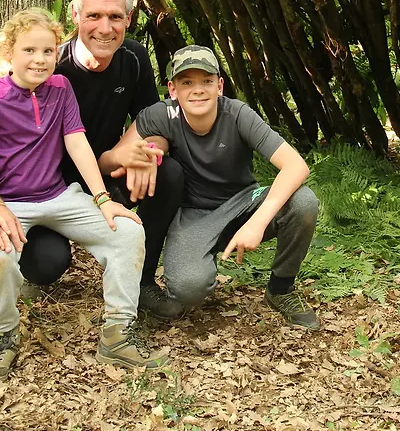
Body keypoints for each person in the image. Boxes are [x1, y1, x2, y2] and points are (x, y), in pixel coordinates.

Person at [0, 9, 167, 385]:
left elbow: (76, 143)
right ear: (9, 52)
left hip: (59, 195)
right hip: (10, 203)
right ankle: (3, 338)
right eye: (29, 50)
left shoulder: (60, 88)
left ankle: (118, 334)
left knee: (127, 232)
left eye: (48, 51)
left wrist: (103, 199)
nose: (39, 59)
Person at [16, 0, 184, 320]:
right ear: (75, 15)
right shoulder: (50, 67)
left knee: (167, 174)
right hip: (51, 186)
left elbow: (153, 120)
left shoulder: (134, 58)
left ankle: (141, 281)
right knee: (46, 264)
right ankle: (32, 260)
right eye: (94, 15)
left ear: (129, 19)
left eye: (115, 17)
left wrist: (148, 153)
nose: (105, 28)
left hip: (107, 176)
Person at [135, 45, 321, 330]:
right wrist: (146, 154)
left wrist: (257, 222)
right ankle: (198, 260)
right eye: (187, 82)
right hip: (194, 213)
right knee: (187, 289)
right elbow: (119, 153)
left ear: (219, 85)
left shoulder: (237, 114)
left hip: (243, 202)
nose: (198, 90)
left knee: (303, 202)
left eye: (207, 81)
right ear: (173, 89)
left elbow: (296, 166)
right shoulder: (162, 115)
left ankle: (281, 288)